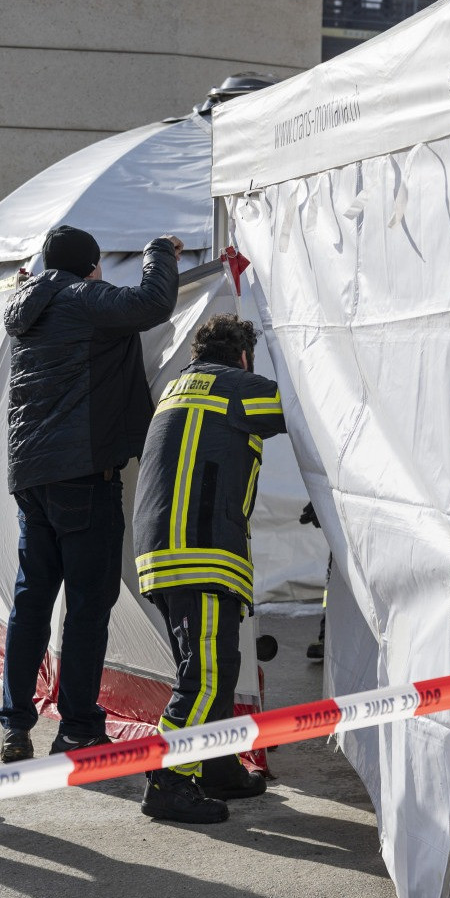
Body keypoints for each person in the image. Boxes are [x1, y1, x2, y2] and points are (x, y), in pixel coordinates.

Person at [0, 226, 182, 764]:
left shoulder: (26, 304)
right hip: (82, 475)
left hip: (31, 477)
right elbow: (153, 303)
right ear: (90, 267)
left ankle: (15, 723)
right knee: (85, 607)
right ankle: (78, 726)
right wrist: (157, 251)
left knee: (31, 603)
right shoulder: (80, 298)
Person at [132, 314, 286, 823]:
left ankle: (216, 766)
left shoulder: (178, 387)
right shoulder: (237, 388)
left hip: (167, 551)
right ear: (243, 357)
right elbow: (307, 412)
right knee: (204, 677)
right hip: (202, 550)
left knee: (215, 669)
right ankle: (169, 781)